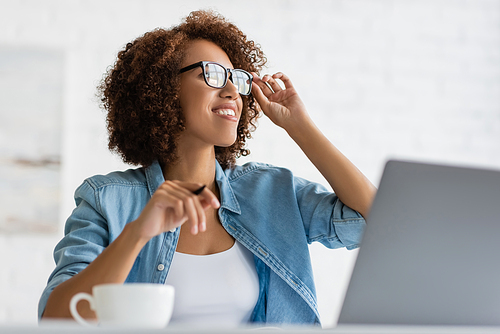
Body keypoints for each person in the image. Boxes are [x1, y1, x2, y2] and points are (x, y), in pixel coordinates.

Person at [39, 10, 376, 327]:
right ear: (163, 89)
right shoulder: (107, 200)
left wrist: (299, 126)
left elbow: (373, 223)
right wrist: (138, 232)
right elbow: (56, 318)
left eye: (237, 79)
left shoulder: (271, 191)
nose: (232, 92)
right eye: (213, 75)